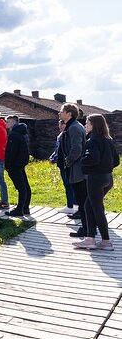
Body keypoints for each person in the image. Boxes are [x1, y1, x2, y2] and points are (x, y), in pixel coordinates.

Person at [73, 114, 119, 251]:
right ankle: (90, 239)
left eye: (87, 123)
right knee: (89, 206)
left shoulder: (92, 140)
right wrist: (105, 167)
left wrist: (81, 161)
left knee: (97, 209)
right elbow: (116, 161)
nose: (85, 125)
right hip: (107, 178)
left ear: (94, 124)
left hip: (96, 179)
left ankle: (105, 241)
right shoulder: (107, 139)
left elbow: (92, 158)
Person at [59, 103, 90, 237]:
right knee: (81, 199)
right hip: (76, 168)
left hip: (77, 170)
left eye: (62, 111)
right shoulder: (72, 126)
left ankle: (86, 229)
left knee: (82, 199)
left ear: (69, 113)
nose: (59, 113)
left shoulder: (74, 128)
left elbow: (76, 149)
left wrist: (67, 162)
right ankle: (87, 227)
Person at [4, 115, 31, 217]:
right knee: (25, 186)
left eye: (8, 122)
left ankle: (19, 209)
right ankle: (25, 208)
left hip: (15, 165)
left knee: (21, 187)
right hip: (21, 163)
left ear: (14, 123)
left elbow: (11, 152)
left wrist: (8, 165)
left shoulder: (14, 135)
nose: (6, 123)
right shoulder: (22, 133)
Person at [49, 119, 76, 214]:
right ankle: (72, 204)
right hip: (61, 163)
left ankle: (71, 206)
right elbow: (57, 150)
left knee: (69, 185)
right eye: (59, 125)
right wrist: (52, 157)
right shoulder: (59, 136)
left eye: (63, 124)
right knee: (67, 184)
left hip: (66, 164)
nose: (60, 126)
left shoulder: (67, 135)